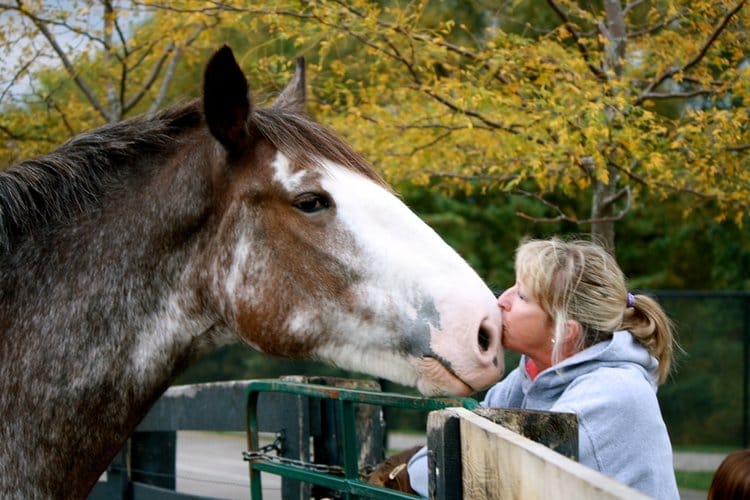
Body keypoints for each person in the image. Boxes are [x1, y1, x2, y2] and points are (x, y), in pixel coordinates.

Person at [406, 237, 679, 499]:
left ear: (565, 331)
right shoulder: (532, 375)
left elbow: (468, 479)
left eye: (523, 297)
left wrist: (438, 462)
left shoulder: (612, 393)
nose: (502, 300)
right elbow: (431, 467)